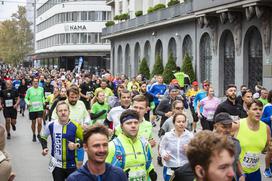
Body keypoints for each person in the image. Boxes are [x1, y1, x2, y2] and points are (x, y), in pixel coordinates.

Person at [106, 109, 157, 181]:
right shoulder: (112, 146)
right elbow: (105, 172)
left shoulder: (145, 144)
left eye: (136, 122)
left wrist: (151, 171)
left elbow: (148, 163)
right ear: (121, 127)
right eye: (129, 123)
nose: (133, 125)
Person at [39, 101, 83, 181]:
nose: (63, 113)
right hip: (56, 165)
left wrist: (76, 145)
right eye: (60, 111)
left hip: (71, 164)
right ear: (56, 113)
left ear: (69, 112)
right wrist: (44, 147)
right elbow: (43, 137)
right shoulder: (51, 125)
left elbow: (86, 140)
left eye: (65, 110)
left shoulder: (75, 126)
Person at [234, 99, 271, 180]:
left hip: (255, 172)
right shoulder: (237, 125)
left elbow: (266, 149)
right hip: (237, 172)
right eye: (255, 109)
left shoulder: (266, 128)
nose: (258, 112)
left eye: (260, 109)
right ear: (247, 111)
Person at [159, 113, 193, 181]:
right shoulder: (167, 136)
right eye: (178, 122)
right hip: (170, 168)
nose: (181, 124)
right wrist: (163, 154)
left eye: (183, 122)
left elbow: (196, 152)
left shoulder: (190, 136)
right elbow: (161, 148)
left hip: (185, 168)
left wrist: (190, 150)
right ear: (174, 123)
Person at [213, 112, 245, 181]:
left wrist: (242, 174)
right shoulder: (207, 145)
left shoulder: (236, 144)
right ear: (215, 127)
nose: (227, 130)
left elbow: (236, 159)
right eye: (224, 127)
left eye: (230, 126)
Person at [25, 77, 45, 142]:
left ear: (38, 82)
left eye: (37, 81)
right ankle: (34, 134)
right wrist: (28, 103)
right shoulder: (29, 90)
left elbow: (43, 97)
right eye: (34, 81)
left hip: (40, 108)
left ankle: (38, 134)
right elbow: (26, 98)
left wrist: (44, 101)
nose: (36, 82)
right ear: (32, 82)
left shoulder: (41, 89)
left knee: (39, 122)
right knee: (33, 122)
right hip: (32, 109)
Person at [261, 89, 272, 177]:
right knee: (270, 152)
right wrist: (269, 118)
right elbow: (261, 120)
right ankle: (267, 169)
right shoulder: (267, 107)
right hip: (270, 134)